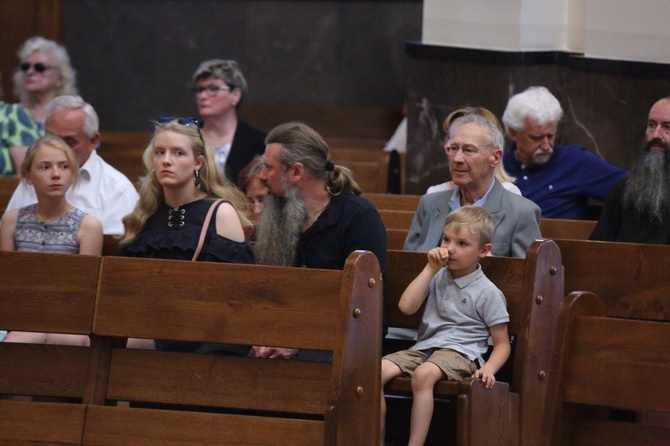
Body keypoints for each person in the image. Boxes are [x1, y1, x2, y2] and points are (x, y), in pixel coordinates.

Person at [119, 116, 255, 353]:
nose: (166, 161)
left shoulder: (220, 212)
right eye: (159, 152)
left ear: (198, 163)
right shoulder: (146, 213)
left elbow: (236, 297)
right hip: (148, 327)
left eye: (178, 153)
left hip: (206, 337)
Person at [252, 121, 387, 359]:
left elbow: (366, 306)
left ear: (296, 172)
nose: (261, 176)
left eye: (268, 168)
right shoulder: (275, 215)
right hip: (283, 331)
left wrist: (300, 343)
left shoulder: (358, 217)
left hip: (345, 338)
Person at [381, 206, 510, 446]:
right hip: (425, 348)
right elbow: (406, 307)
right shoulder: (438, 275)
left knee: (423, 375)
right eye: (446, 239)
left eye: (462, 244)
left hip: (462, 353)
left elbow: (502, 344)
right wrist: (430, 268)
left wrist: (489, 369)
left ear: (484, 251)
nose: (450, 248)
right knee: (375, 372)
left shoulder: (488, 292)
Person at [1, 134, 103, 346]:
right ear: (28, 176)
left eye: (64, 167)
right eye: (45, 167)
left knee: (74, 342)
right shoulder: (12, 221)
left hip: (68, 319)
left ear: (73, 174)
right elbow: (7, 284)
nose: (56, 174)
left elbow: (86, 293)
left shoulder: (88, 226)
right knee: (13, 343)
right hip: (23, 317)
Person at [404, 114, 541, 257]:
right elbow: (408, 266)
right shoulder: (430, 204)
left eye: (468, 150)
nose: (457, 159)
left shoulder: (522, 212)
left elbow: (528, 276)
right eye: (454, 148)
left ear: (495, 158)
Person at [5, 95, 139, 235]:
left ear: (93, 141)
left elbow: (116, 250)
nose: (58, 149)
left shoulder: (117, 189)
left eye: (69, 141)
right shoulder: (36, 177)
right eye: (51, 139)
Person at [502, 86, 627, 219]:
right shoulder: (498, 166)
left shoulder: (575, 162)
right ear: (513, 133)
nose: (546, 146)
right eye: (537, 138)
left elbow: (633, 190)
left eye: (550, 136)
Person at [590, 97, 670, 243]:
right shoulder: (624, 188)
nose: (655, 135)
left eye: (667, 127)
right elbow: (598, 249)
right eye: (651, 125)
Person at [1, 36, 78, 176]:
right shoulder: (10, 114)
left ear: (60, 78)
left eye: (39, 67)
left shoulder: (74, 117)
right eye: (25, 67)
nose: (30, 72)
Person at [192, 59, 266, 185]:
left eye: (213, 88)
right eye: (200, 90)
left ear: (235, 95)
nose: (203, 96)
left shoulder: (258, 143)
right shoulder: (185, 136)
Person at [427, 106, 521, 196]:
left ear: (494, 156)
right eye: (449, 138)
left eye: (468, 149)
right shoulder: (434, 195)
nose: (447, 145)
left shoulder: (508, 194)